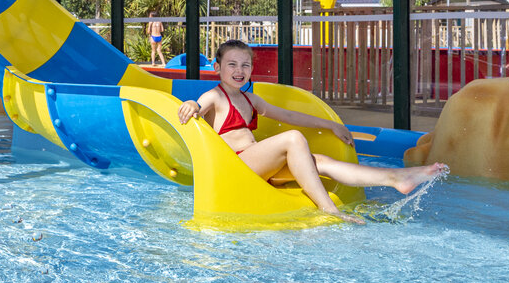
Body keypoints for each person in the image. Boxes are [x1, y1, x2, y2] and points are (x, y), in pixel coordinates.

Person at [177, 39, 447, 224]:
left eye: (245, 65)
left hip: (257, 164)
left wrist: (331, 124)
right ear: (217, 68)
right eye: (232, 65)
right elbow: (198, 107)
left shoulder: (251, 100)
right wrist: (191, 104)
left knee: (321, 162)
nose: (239, 71)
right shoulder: (215, 96)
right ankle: (328, 208)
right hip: (236, 167)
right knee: (292, 138)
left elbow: (290, 116)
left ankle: (396, 178)